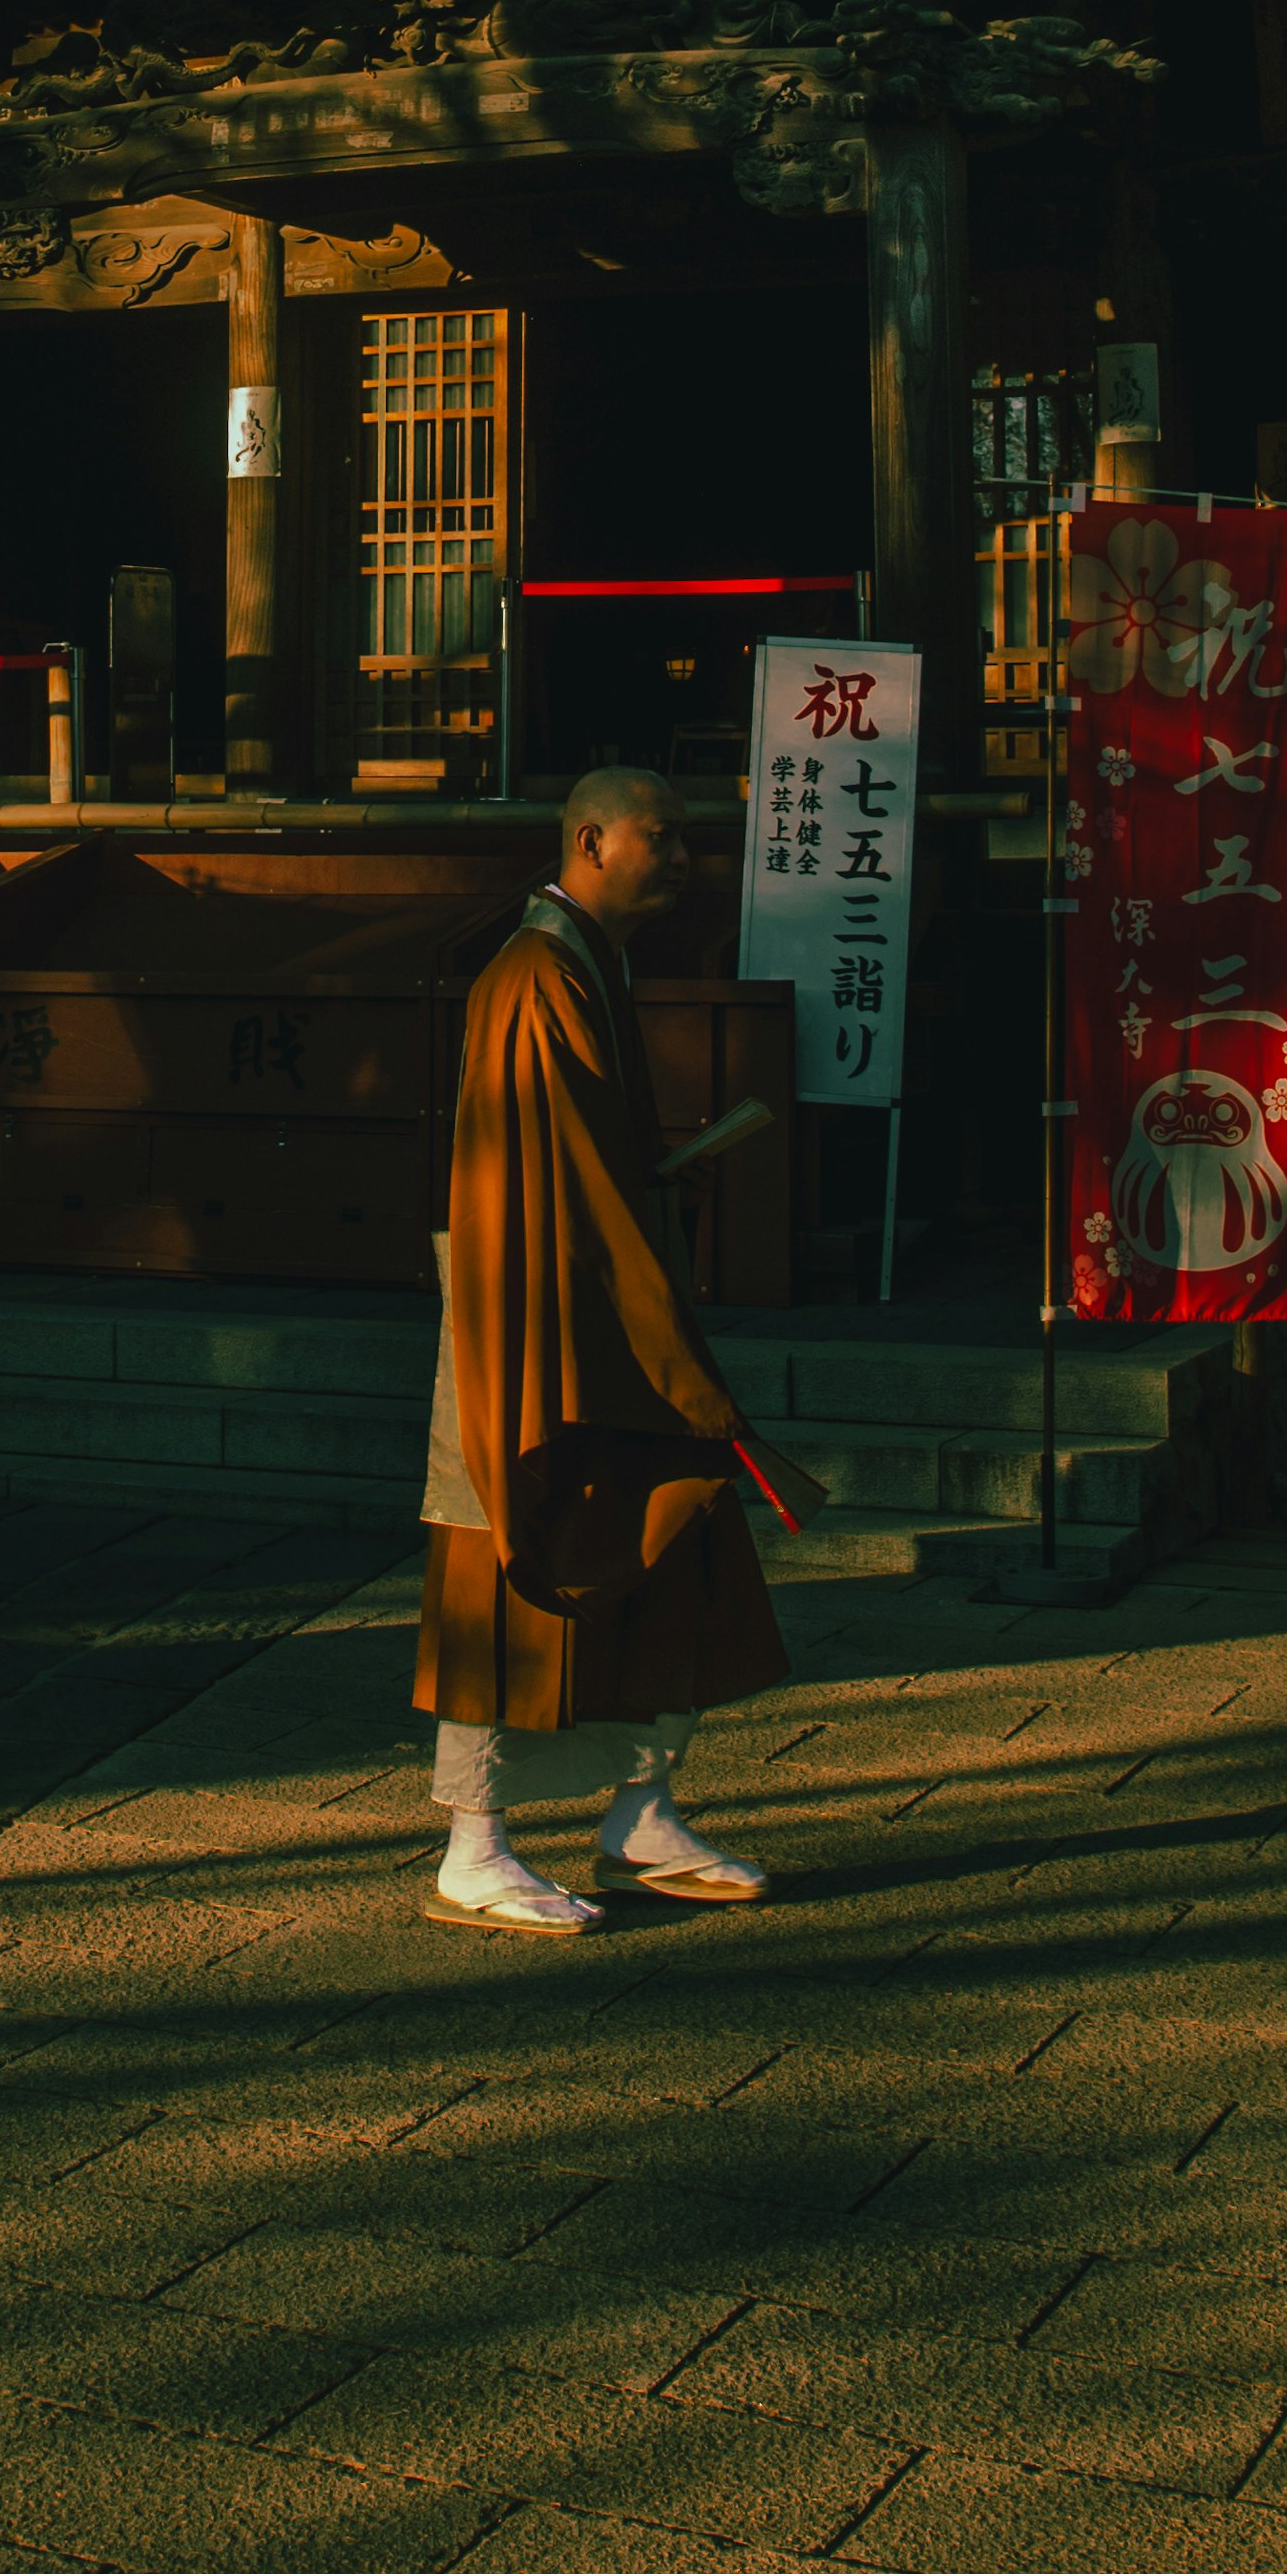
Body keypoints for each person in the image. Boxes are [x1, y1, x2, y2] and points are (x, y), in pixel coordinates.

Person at [418, 762, 789, 1935]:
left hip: (595, 1301)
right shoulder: (537, 972)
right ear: (589, 839)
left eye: (687, 838)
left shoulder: (591, 961)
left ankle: (643, 1810)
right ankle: (473, 1845)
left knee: (669, 1537)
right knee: (507, 1554)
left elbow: (586, 1165)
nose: (682, 856)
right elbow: (562, 1179)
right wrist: (668, 1329)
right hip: (532, 1320)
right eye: (661, 835)